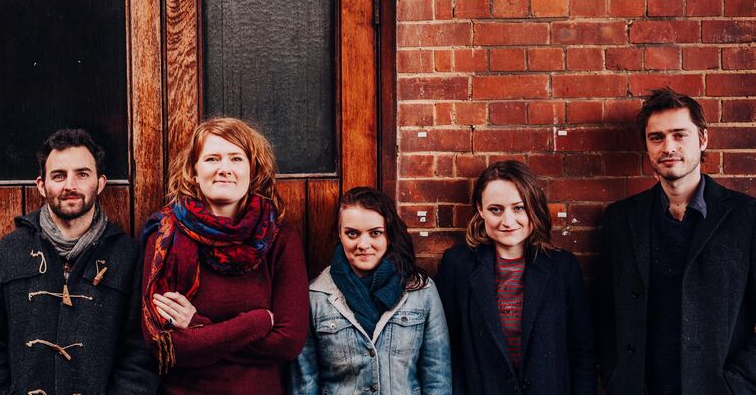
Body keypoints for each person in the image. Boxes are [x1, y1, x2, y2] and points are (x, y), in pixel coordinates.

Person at [0, 128, 157, 394]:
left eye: (82, 174)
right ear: (42, 185)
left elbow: (139, 353)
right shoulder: (4, 253)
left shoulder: (129, 257)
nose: (70, 185)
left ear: (99, 183)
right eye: (58, 176)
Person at [596, 87, 756, 395]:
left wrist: (738, 384)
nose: (668, 146)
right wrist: (616, 376)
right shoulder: (620, 219)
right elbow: (604, 310)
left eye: (679, 135)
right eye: (657, 137)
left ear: (703, 139)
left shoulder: (745, 217)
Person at [141, 117, 308, 394]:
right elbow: (164, 344)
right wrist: (257, 322)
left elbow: (288, 342)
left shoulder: (279, 236)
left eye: (236, 159)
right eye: (212, 159)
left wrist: (197, 325)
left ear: (252, 171)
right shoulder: (166, 237)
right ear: (194, 171)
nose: (224, 169)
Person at [436, 160, 596, 395]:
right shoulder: (457, 266)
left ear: (532, 207)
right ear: (480, 209)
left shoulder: (563, 268)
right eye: (495, 209)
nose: (508, 221)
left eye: (518, 208)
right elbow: (445, 351)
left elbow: (584, 354)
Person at [291, 186, 451, 395]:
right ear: (339, 234)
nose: (363, 244)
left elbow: (437, 376)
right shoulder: (316, 296)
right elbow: (305, 383)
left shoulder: (422, 291)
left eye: (375, 233)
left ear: (389, 235)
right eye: (352, 233)